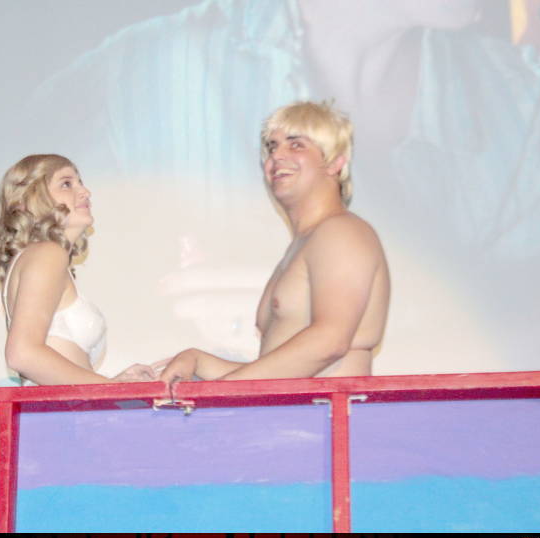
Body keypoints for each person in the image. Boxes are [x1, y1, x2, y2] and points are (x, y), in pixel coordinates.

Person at [158, 101, 389, 382]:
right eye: (272, 146)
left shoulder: (341, 233)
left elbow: (330, 341)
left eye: (296, 144)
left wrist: (226, 391)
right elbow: (279, 375)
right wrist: (200, 361)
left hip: (328, 410)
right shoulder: (306, 244)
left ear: (335, 162)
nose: (277, 155)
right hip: (299, 408)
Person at [0, 154, 154, 385]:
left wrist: (114, 383)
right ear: (28, 200)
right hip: (65, 409)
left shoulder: (41, 256)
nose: (85, 192)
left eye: (80, 182)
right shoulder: (47, 254)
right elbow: (22, 354)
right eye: (66, 184)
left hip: (67, 406)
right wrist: (111, 388)